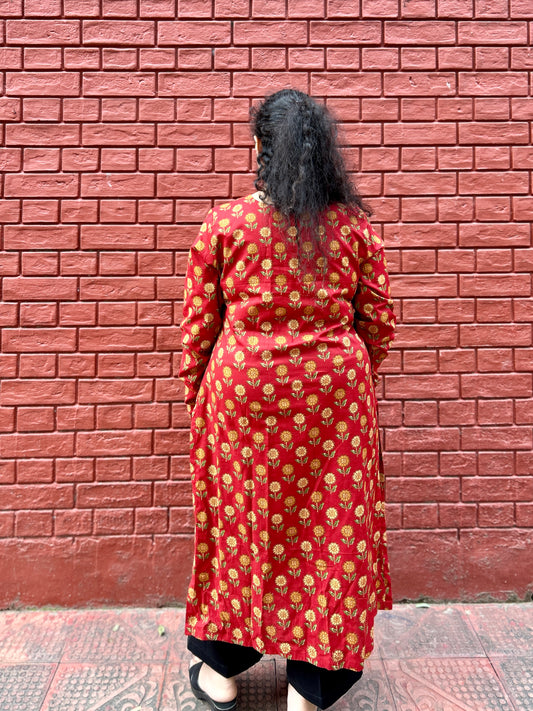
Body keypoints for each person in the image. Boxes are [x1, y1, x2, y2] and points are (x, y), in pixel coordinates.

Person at [178, 89, 396, 711]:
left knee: (242, 525)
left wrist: (200, 398)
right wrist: (343, 377)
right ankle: (311, 687)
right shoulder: (353, 228)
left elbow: (199, 329)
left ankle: (222, 672)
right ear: (322, 152)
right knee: (331, 529)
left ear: (259, 148)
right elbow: (379, 322)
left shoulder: (225, 225)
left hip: (242, 400)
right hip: (335, 405)